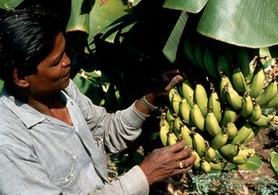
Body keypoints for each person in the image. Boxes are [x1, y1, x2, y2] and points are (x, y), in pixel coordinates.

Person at [0, 4, 196, 195]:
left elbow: (105, 130)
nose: (68, 62)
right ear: (21, 77)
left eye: (65, 52)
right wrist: (146, 174)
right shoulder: (8, 145)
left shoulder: (63, 90)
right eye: (56, 62)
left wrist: (152, 97)